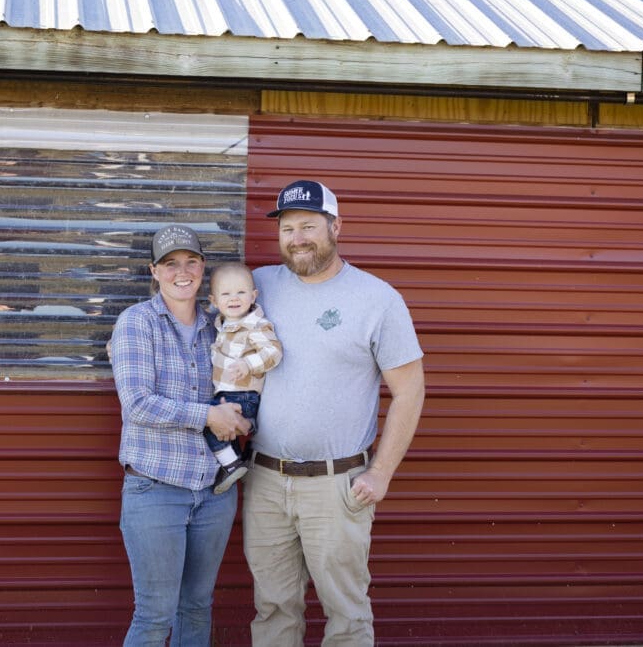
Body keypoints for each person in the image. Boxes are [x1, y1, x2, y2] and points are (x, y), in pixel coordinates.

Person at [243, 180, 426, 646]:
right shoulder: (257, 285)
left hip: (336, 485)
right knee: (272, 610)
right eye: (287, 229)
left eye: (308, 226)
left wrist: (382, 472)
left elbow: (409, 391)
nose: (297, 238)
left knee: (346, 614)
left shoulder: (376, 298)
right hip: (264, 480)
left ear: (336, 227)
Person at [109, 223, 252, 646]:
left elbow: (244, 382)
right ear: (154, 271)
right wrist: (208, 416)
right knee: (154, 614)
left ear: (203, 268)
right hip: (155, 490)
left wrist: (243, 417)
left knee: (197, 606)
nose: (182, 272)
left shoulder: (220, 326)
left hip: (214, 491)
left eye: (191, 262)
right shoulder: (137, 323)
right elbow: (137, 403)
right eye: (170, 264)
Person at [203, 262, 283, 495]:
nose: (234, 298)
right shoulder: (222, 325)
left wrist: (248, 364)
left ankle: (230, 464)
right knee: (219, 425)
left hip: (244, 395)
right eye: (226, 294)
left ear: (253, 295)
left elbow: (273, 351)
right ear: (214, 301)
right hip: (228, 393)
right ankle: (238, 459)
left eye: (241, 292)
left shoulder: (255, 326)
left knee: (207, 417)